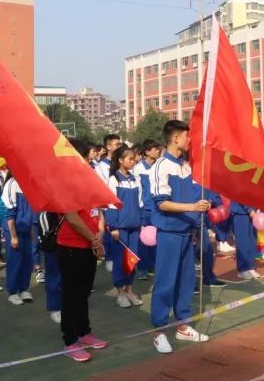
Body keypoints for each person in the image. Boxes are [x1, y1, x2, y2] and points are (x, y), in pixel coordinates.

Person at [150, 120, 210, 354]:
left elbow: (191, 200)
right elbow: (162, 203)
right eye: (186, 136)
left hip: (187, 232)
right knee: (165, 282)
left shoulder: (186, 166)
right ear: (175, 138)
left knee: (186, 281)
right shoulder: (161, 167)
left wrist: (196, 215)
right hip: (169, 233)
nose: (189, 140)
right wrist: (192, 208)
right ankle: (159, 331)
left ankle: (183, 325)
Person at [57, 138, 108, 362]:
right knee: (72, 295)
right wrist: (94, 240)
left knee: (84, 293)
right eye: (86, 156)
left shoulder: (89, 179)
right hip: (71, 246)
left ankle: (84, 332)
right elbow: (72, 217)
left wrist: (100, 233)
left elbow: (98, 210)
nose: (90, 159)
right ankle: (70, 341)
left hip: (89, 244)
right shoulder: (65, 182)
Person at [105, 145, 143, 308]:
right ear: (120, 161)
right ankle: (120, 292)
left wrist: (142, 223)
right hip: (119, 228)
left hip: (134, 226)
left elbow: (140, 202)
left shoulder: (135, 179)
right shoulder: (114, 180)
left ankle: (129, 290)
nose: (133, 161)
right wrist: (113, 227)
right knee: (120, 260)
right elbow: (111, 205)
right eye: (130, 159)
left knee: (132, 260)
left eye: (134, 159)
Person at [1, 172, 36, 306]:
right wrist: (13, 236)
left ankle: (24, 289)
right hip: (13, 229)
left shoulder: (28, 184)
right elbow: (9, 213)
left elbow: (31, 210)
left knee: (27, 260)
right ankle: (12, 292)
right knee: (15, 261)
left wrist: (31, 230)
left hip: (25, 229)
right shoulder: (11, 184)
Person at [133, 139, 162, 279]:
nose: (158, 151)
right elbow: (138, 191)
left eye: (158, 148)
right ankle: (143, 268)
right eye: (155, 149)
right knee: (144, 239)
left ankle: (154, 266)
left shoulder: (159, 167)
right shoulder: (138, 169)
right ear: (147, 152)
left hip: (158, 209)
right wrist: (139, 209)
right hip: (144, 209)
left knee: (156, 238)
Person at [95, 134, 122, 272]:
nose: (118, 147)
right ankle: (110, 257)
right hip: (107, 205)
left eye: (119, 144)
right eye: (116, 144)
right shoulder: (101, 166)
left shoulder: (121, 163)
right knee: (110, 233)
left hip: (121, 204)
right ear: (108, 146)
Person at [230, 201, 259, 279]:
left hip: (252, 212)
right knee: (242, 242)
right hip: (240, 212)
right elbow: (240, 194)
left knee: (252, 240)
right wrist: (249, 209)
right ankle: (242, 269)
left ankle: (250, 267)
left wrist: (258, 207)